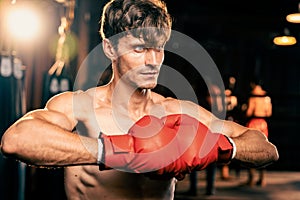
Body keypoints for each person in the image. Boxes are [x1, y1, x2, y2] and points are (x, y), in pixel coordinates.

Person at [0, 0, 278, 199]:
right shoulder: (81, 107)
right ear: (110, 48)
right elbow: (16, 140)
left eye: (159, 48)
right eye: (139, 48)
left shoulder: (174, 111)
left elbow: (265, 148)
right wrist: (123, 151)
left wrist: (219, 147)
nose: (153, 60)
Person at [245, 81, 272, 187]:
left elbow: (249, 111)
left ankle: (251, 179)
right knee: (263, 150)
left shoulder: (253, 95)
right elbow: (269, 112)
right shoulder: (266, 97)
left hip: (254, 122)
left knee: (251, 151)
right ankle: (262, 179)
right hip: (263, 123)